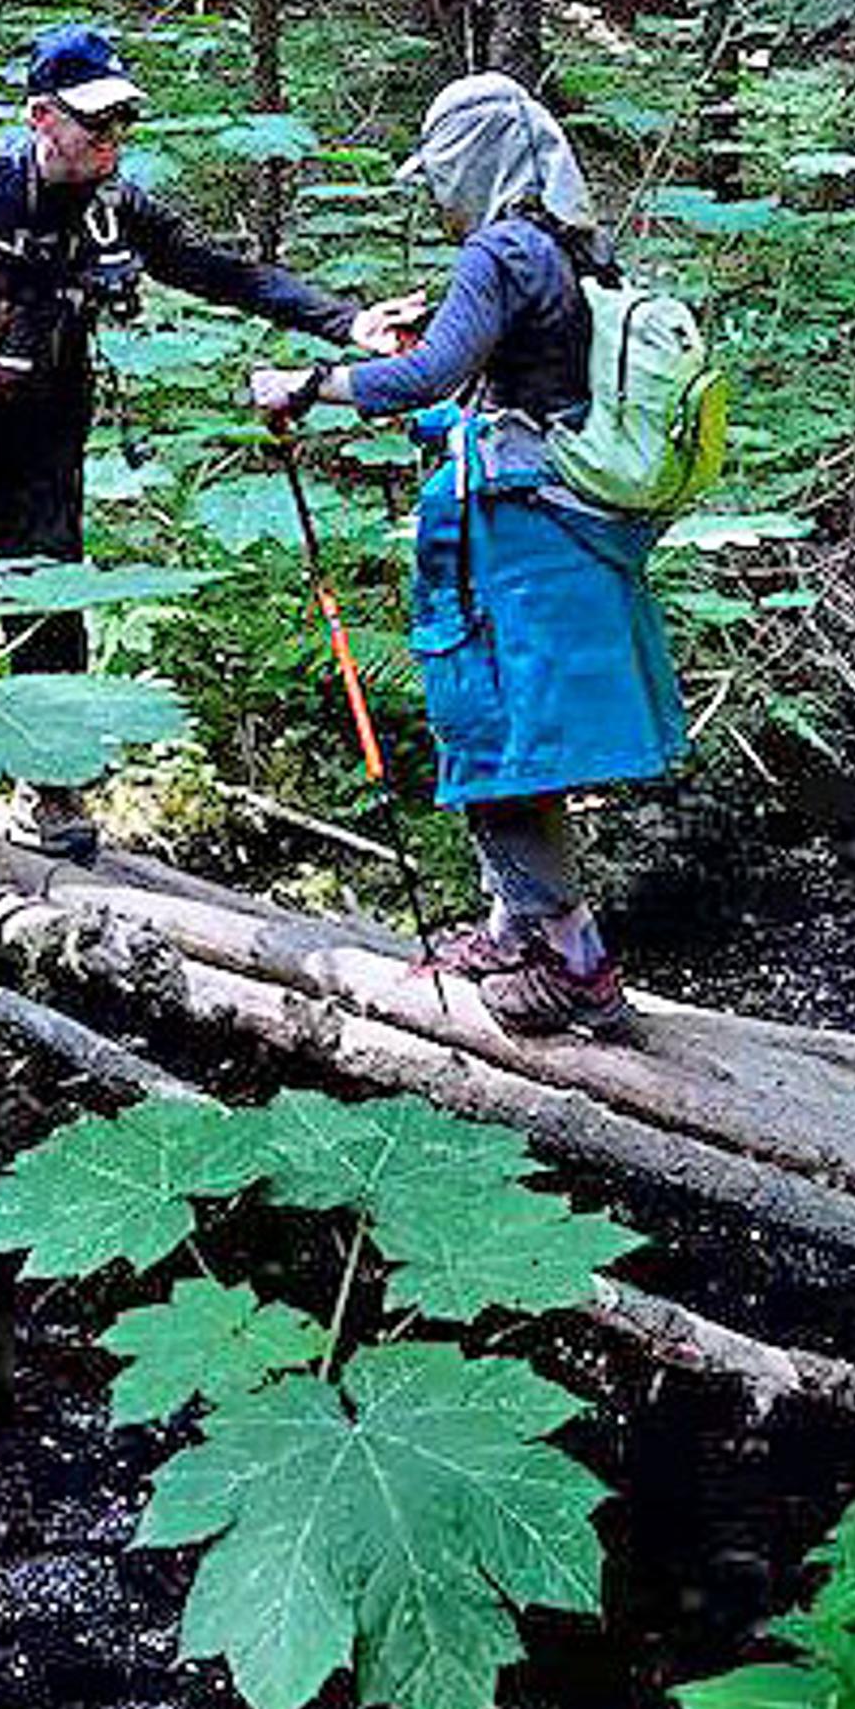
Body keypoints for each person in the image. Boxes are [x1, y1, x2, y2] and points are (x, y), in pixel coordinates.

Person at [0, 22, 402, 859]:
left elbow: (219, 272)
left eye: (124, 122)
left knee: (49, 603)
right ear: (42, 117)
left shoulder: (119, 210)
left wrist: (344, 320)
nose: (113, 140)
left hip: (38, 431)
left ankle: (47, 784)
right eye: (97, 123)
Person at [250, 72, 686, 1038]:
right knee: (515, 734)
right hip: (565, 526)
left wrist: (306, 384)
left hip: (514, 537)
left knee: (494, 737)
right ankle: (511, 927)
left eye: (443, 172)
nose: (440, 195)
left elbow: (428, 376)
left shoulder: (498, 249)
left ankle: (576, 963)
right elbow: (525, 395)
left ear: (474, 162)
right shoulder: (575, 250)